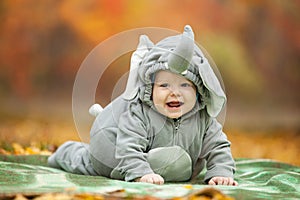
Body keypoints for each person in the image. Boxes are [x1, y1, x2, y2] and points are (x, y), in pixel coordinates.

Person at [48, 25, 238, 186]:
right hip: (114, 155)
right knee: (88, 162)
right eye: (164, 85)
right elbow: (128, 146)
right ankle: (66, 151)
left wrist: (221, 172)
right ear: (151, 88)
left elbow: (218, 146)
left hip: (171, 167)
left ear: (198, 91)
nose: (175, 92)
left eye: (185, 85)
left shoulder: (203, 119)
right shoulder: (139, 112)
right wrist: (142, 173)